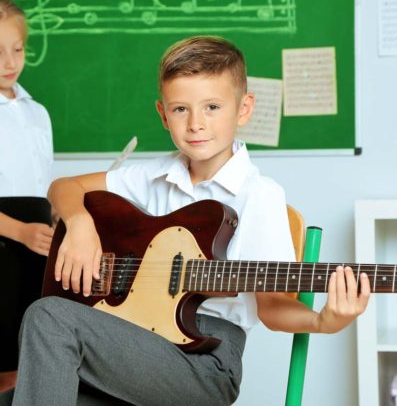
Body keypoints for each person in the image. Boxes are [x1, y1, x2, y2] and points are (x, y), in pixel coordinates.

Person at [3, 36, 370, 406]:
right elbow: (64, 186)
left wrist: (326, 321)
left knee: (49, 318)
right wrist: (79, 224)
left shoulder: (259, 194)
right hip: (129, 345)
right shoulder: (154, 175)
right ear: (163, 114)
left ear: (244, 109)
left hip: (204, 365)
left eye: (212, 107)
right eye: (181, 109)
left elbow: (272, 309)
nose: (196, 124)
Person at [0, 0, 54, 393]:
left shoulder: (38, 112)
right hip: (5, 238)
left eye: (17, 49)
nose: (9, 61)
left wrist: (52, 218)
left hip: (35, 242)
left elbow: (39, 181)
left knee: (26, 359)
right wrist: (18, 231)